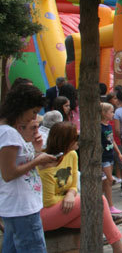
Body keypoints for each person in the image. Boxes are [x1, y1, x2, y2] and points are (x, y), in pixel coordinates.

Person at [39, 122, 122, 252]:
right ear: (65, 140)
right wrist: (69, 198)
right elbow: (48, 201)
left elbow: (73, 185)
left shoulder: (72, 155)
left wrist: (70, 194)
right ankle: (119, 248)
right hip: (45, 214)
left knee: (94, 216)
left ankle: (115, 246)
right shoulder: (45, 164)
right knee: (98, 200)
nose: (79, 140)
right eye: (75, 137)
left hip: (64, 208)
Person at [0, 84, 56, 252]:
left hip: (17, 206)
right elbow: (8, 173)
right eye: (33, 112)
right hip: (21, 207)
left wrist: (37, 151)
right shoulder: (8, 133)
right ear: (22, 108)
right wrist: (37, 161)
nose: (34, 117)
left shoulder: (8, 131)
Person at [101, 102, 122, 215]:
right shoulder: (99, 127)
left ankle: (106, 204)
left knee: (106, 182)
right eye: (111, 112)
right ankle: (109, 205)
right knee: (108, 181)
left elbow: (112, 140)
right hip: (104, 157)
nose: (113, 114)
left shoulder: (108, 125)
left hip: (110, 155)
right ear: (104, 113)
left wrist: (118, 153)